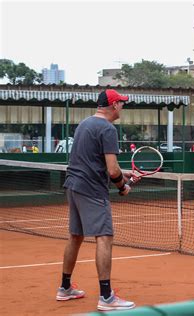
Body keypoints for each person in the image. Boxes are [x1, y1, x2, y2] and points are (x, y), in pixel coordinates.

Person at [56, 89, 137, 311]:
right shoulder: (108, 128)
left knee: (75, 236)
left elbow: (99, 162)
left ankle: (64, 288)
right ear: (113, 105)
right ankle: (106, 297)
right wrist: (123, 186)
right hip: (91, 190)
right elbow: (112, 171)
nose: (123, 106)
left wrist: (124, 173)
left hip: (73, 185)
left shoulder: (85, 124)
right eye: (121, 103)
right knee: (104, 237)